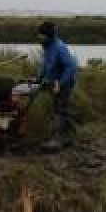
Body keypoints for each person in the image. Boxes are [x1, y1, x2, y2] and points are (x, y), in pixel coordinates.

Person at [36, 21, 78, 150]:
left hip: (64, 82)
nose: (39, 38)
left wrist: (60, 83)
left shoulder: (59, 47)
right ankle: (70, 137)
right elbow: (46, 64)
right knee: (63, 109)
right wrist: (38, 78)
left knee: (59, 110)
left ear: (49, 35)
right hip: (55, 81)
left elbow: (70, 66)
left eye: (41, 36)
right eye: (38, 35)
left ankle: (57, 141)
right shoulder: (47, 46)